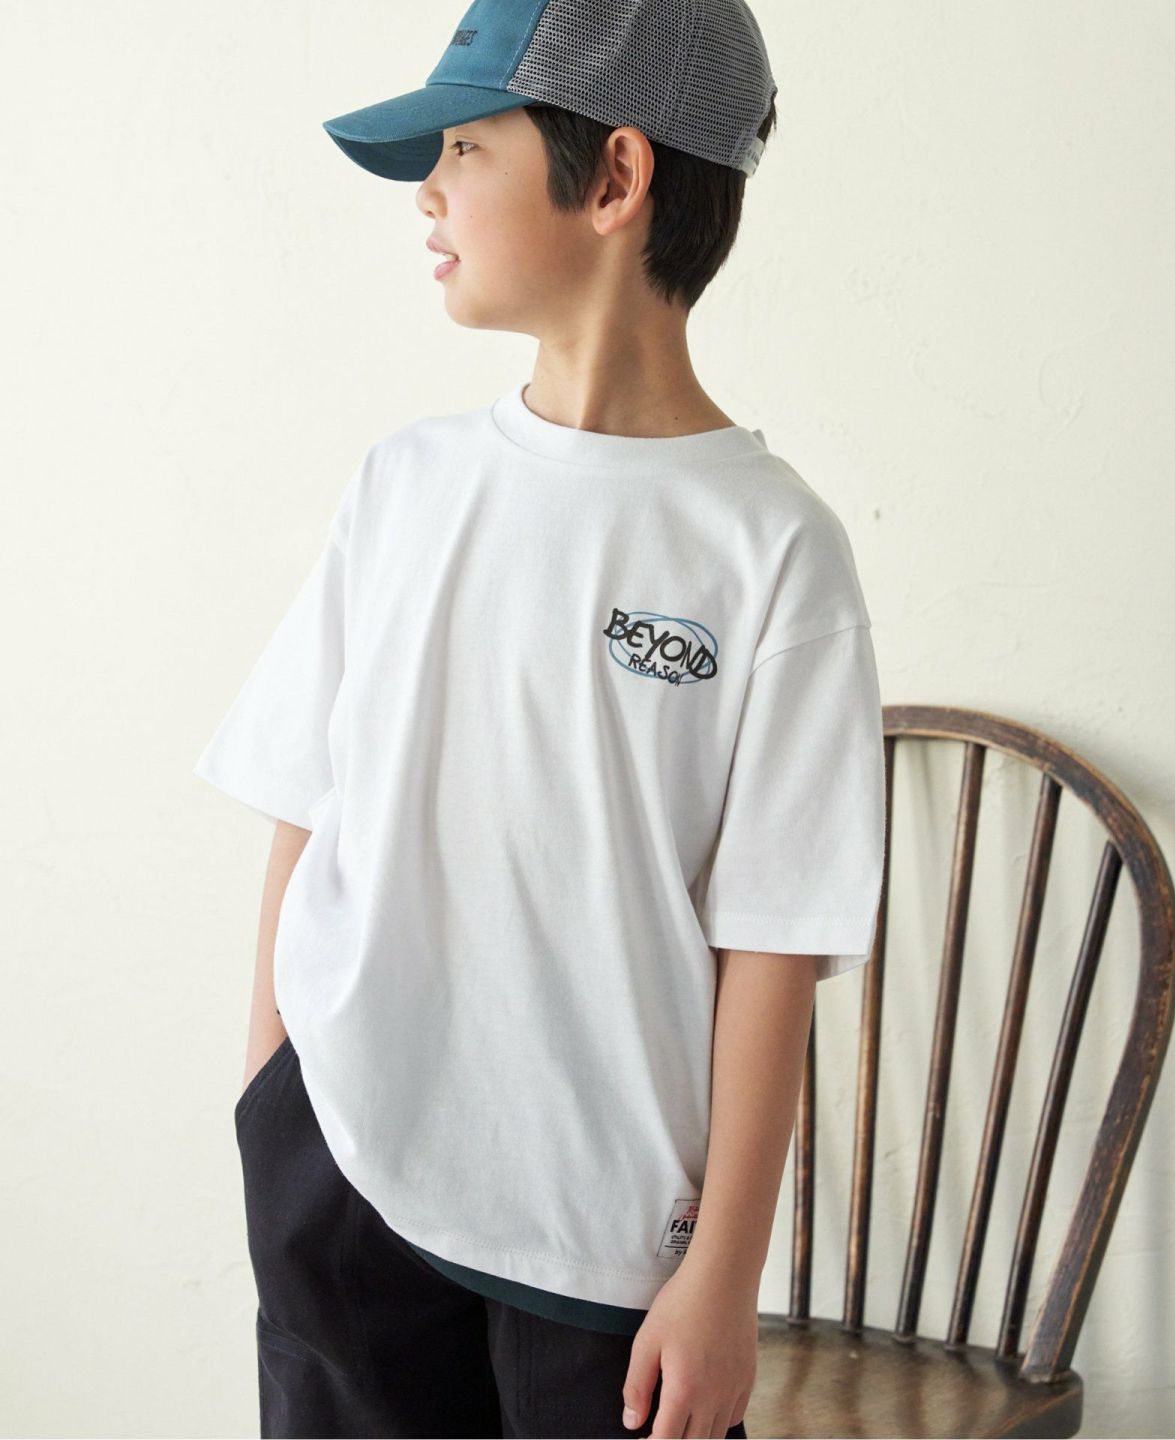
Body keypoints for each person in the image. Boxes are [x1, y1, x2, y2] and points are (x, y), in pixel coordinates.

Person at [194, 1, 887, 1435]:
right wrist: (272, 1104)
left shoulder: (771, 552)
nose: (428, 192)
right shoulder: (405, 488)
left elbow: (774, 939)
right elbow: (304, 806)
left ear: (616, 178)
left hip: (607, 1257)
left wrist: (724, 1276)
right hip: (343, 1184)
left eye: (465, 148)